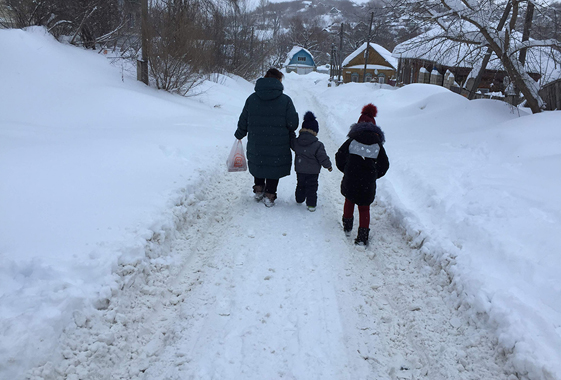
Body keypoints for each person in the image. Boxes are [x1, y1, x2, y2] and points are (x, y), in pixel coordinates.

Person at [235, 68, 299, 207]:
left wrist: (240, 133)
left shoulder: (252, 99)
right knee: (273, 165)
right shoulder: (285, 100)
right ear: (278, 81)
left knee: (259, 163)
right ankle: (270, 194)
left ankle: (258, 189)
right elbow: (292, 124)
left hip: (257, 141)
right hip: (278, 142)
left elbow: (244, 119)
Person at [335, 104, 389, 245]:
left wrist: (346, 169)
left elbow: (339, 156)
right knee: (364, 208)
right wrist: (374, 175)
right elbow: (384, 165)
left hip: (351, 177)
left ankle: (347, 227)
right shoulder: (377, 145)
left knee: (349, 201)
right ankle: (362, 237)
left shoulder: (352, 141)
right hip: (367, 181)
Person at [291, 111, 332, 212]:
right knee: (312, 187)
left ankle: (299, 199)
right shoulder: (318, 145)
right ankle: (311, 205)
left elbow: (291, 143)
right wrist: (328, 165)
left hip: (300, 169)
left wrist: (291, 135)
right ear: (315, 131)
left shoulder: (297, 142)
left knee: (300, 184)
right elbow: (322, 157)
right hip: (313, 171)